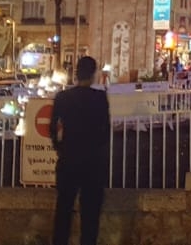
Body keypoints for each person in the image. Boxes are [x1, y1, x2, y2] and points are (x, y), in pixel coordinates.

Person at [52, 56, 110, 245]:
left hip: (69, 160)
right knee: (90, 214)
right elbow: (105, 131)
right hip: (93, 163)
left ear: (76, 73)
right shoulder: (100, 99)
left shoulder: (62, 98)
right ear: (93, 74)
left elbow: (53, 129)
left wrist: (60, 149)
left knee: (63, 210)